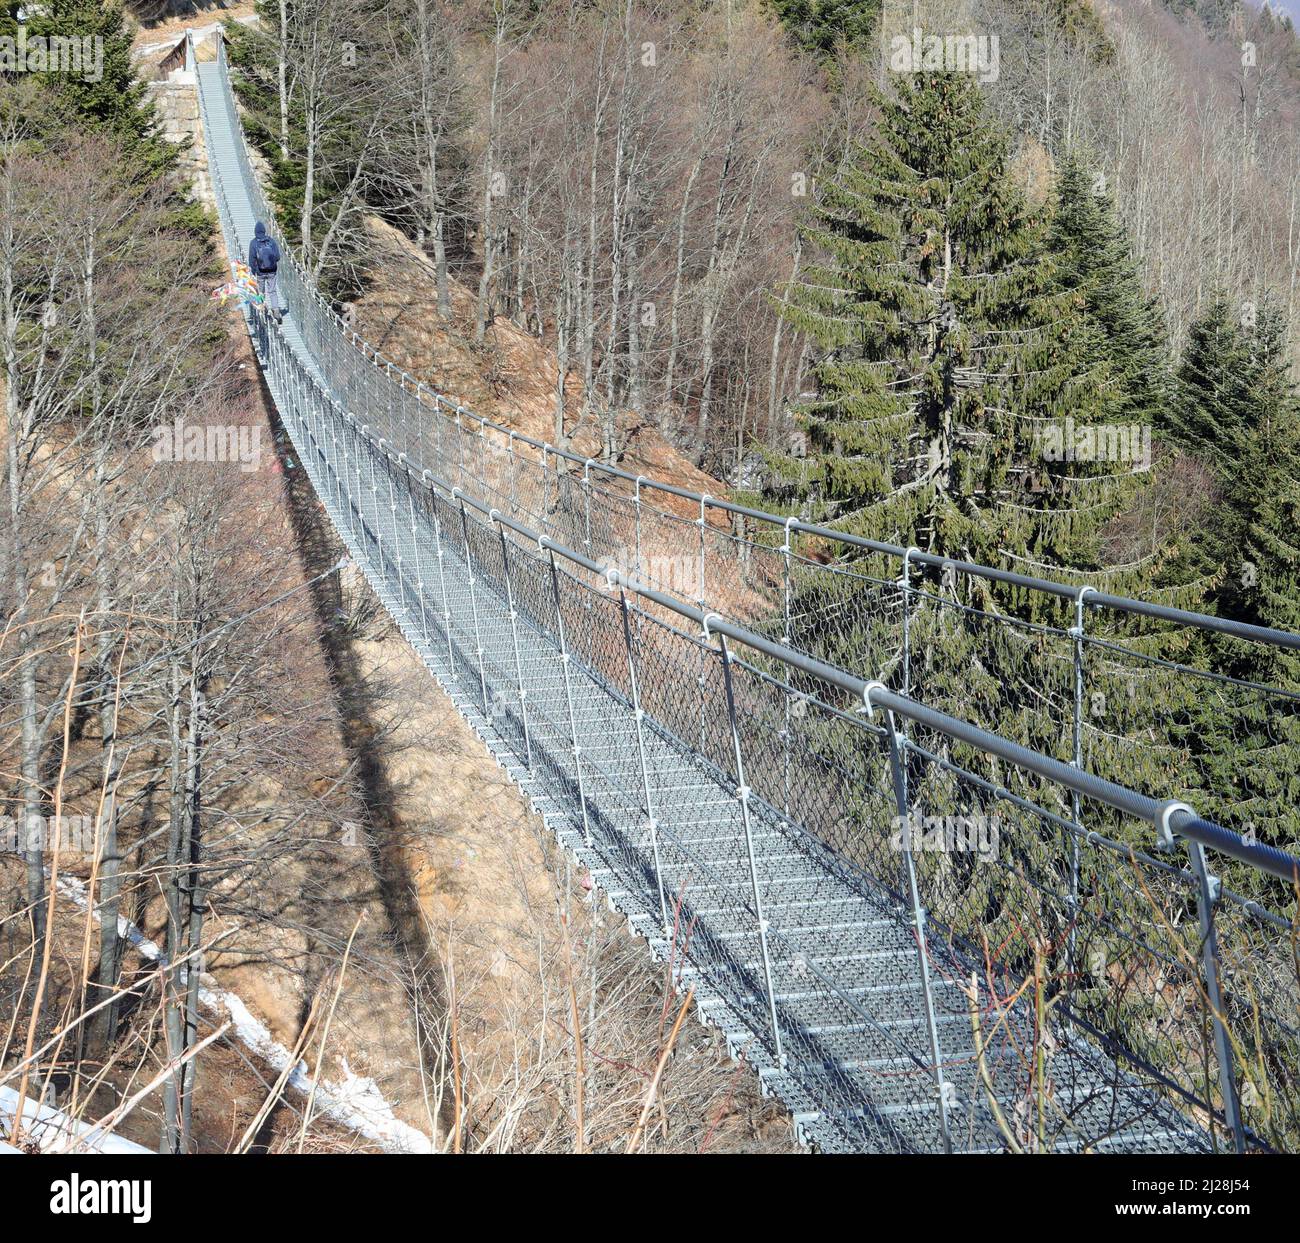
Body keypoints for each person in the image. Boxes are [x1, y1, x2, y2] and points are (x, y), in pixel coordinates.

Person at [248, 221, 284, 324]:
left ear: (255, 232)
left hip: (260, 272)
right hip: (272, 271)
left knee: (261, 292)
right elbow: (277, 257)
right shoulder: (271, 241)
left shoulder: (253, 243)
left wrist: (253, 272)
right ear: (264, 231)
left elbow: (252, 259)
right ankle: (276, 313)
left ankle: (262, 313)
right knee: (272, 291)